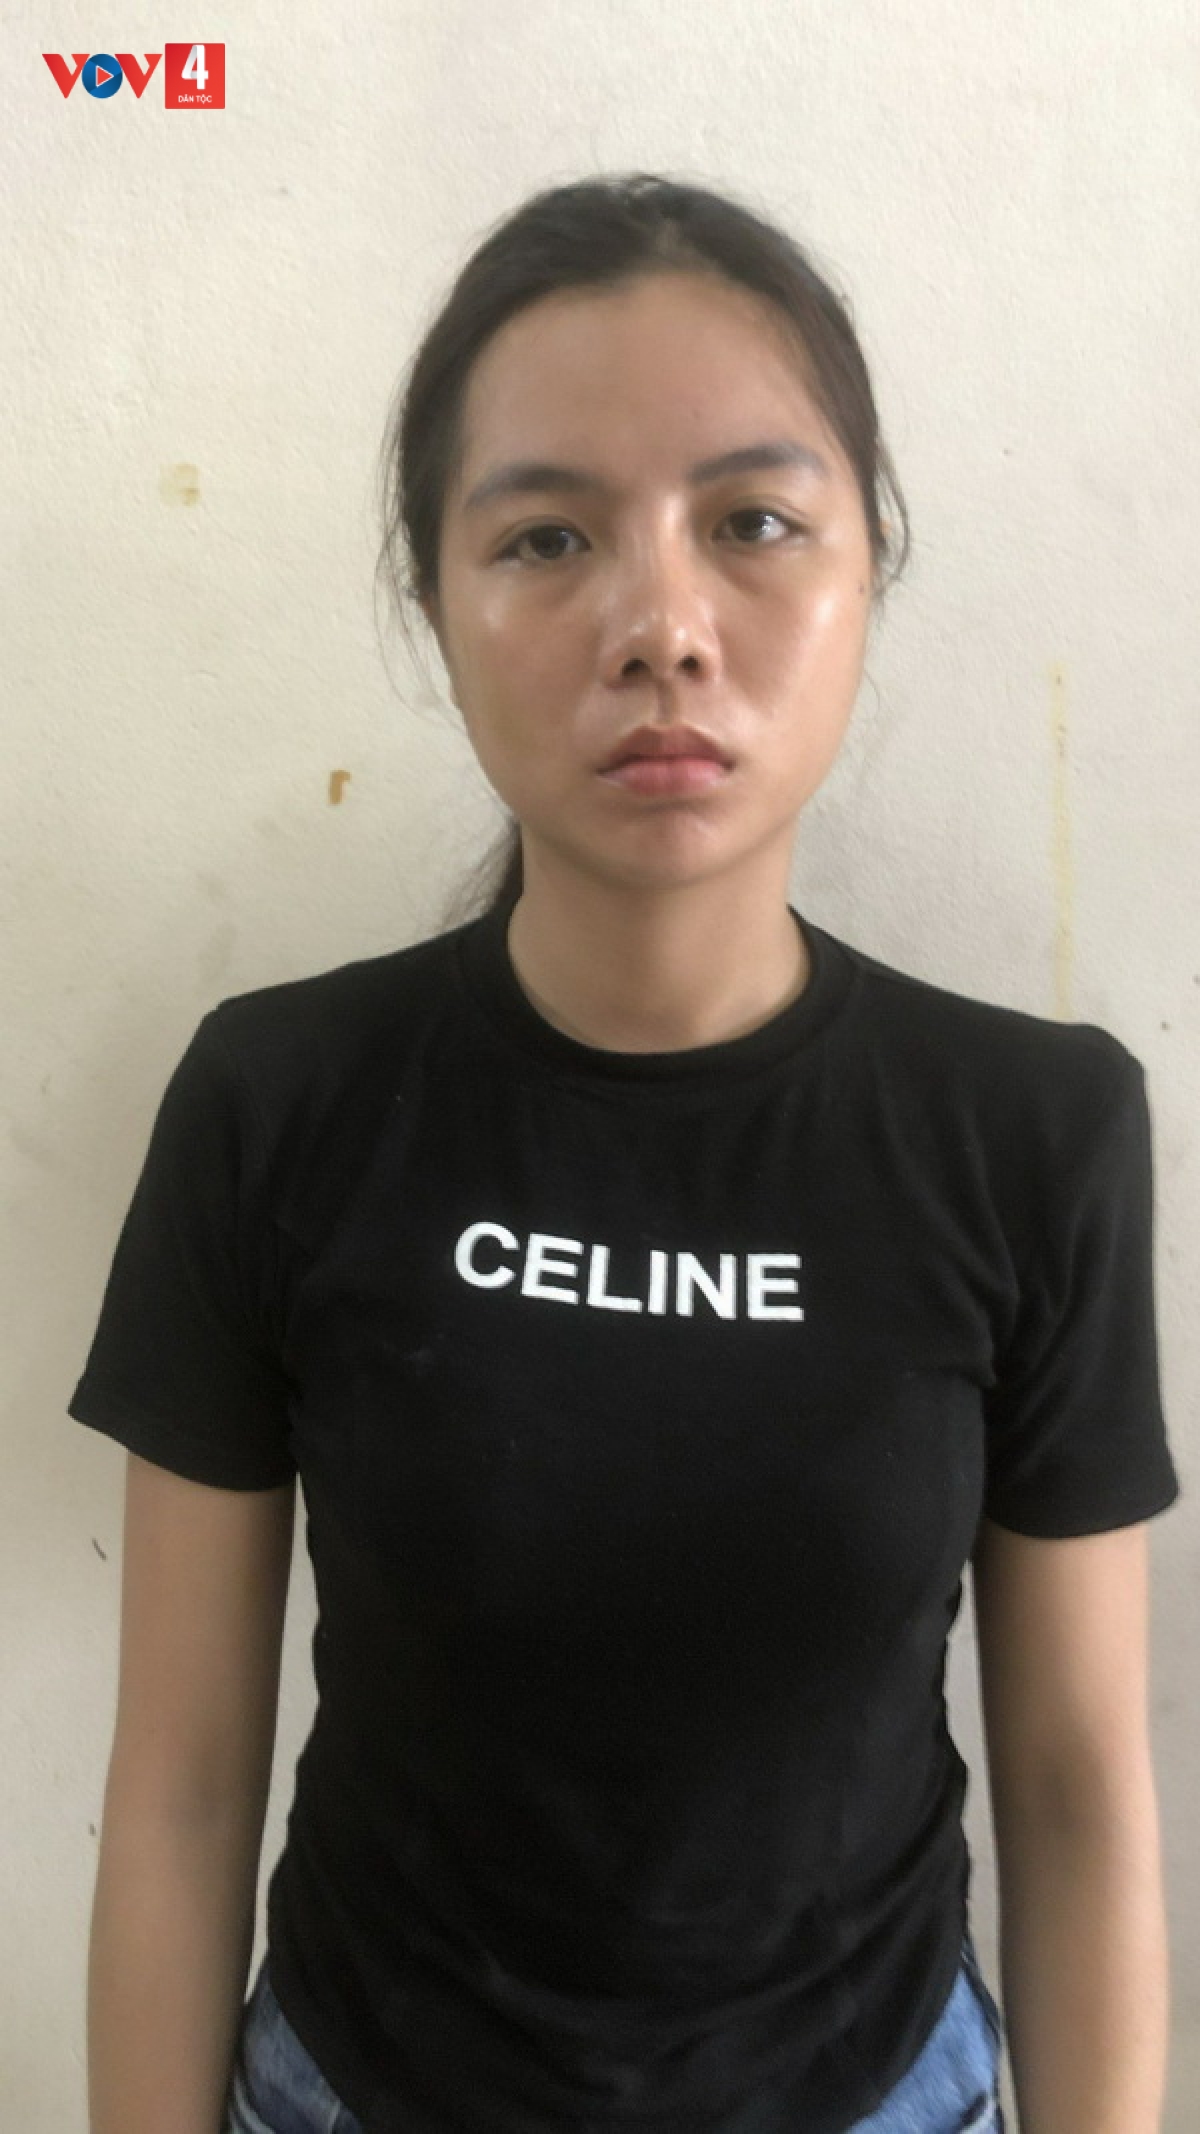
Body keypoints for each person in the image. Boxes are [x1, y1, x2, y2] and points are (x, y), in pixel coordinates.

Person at [70, 173, 1182, 2134]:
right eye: (546, 536)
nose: (661, 626)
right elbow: (177, 1782)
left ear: (869, 565)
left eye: (752, 521)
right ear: (436, 602)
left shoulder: (1033, 1128)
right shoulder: (278, 1099)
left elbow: (1083, 1785)